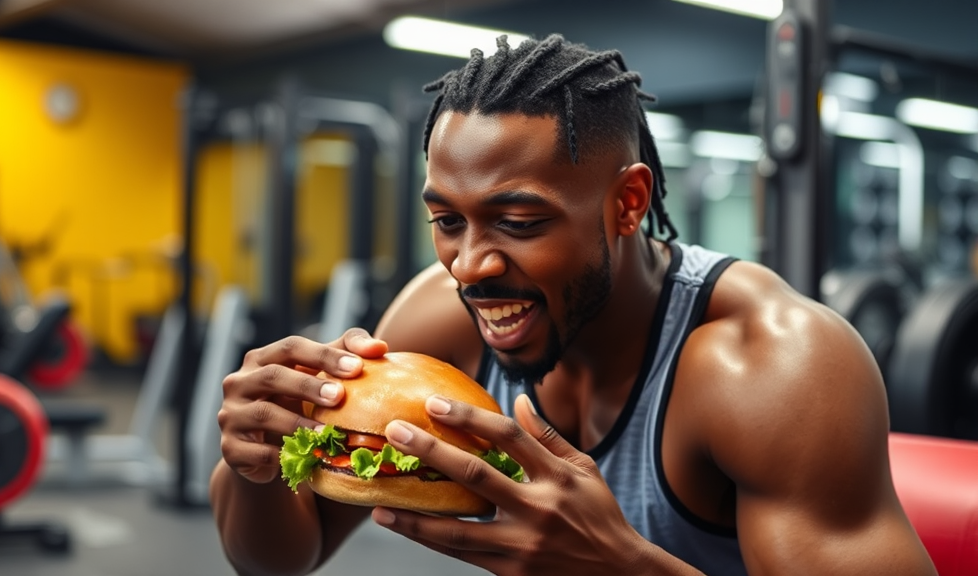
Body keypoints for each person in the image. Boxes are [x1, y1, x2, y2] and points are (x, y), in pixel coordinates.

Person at [210, 34, 936, 575]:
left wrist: (628, 568)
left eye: (519, 224)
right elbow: (280, 560)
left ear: (627, 204)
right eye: (447, 220)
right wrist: (255, 469)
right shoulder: (440, 322)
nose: (469, 266)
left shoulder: (773, 367)